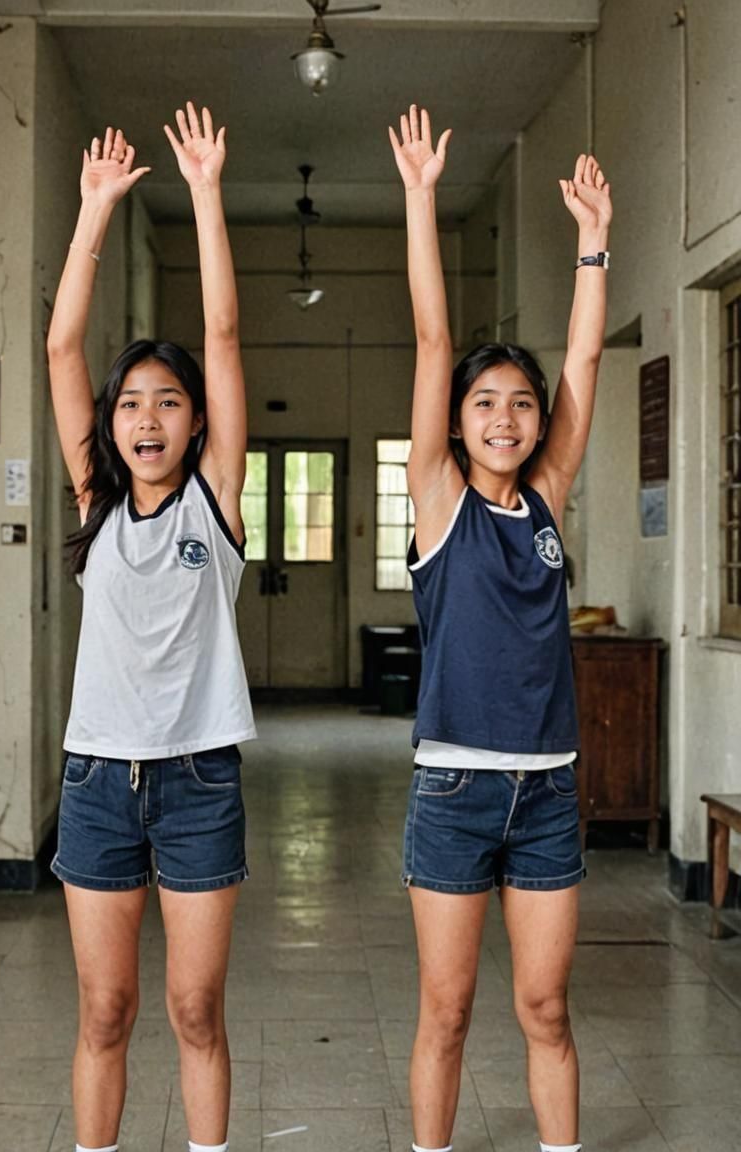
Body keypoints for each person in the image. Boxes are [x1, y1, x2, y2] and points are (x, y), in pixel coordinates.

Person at [388, 104, 611, 1152]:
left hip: (547, 787)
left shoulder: (547, 496)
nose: (506, 418)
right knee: (445, 1011)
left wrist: (592, 248)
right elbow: (433, 336)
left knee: (544, 1011)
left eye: (519, 403)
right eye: (484, 403)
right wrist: (421, 196)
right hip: (453, 788)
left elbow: (585, 368)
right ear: (455, 420)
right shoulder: (438, 498)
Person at [46, 103, 255, 1152]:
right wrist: (92, 213)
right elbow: (59, 343)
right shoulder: (95, 503)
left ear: (196, 423)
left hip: (198, 782)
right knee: (104, 1012)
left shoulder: (214, 501)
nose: (146, 418)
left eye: (167, 402)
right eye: (130, 403)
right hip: (95, 783)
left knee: (193, 1013)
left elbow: (221, 335)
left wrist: (206, 194)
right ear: (110, 423)